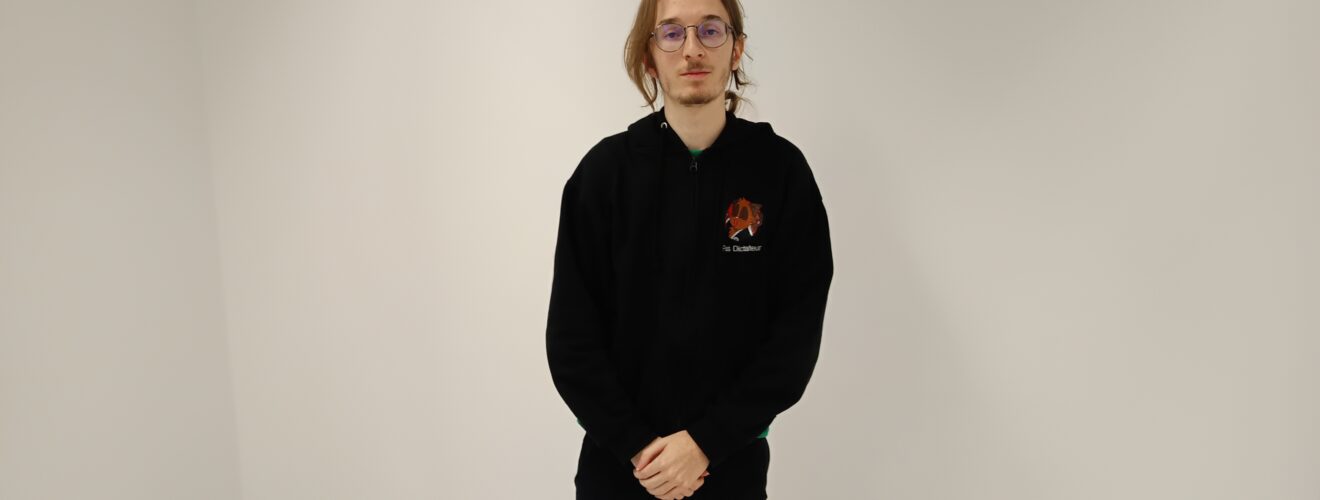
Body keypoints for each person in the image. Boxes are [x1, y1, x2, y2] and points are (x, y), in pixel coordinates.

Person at [545, 0, 834, 498]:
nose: (692, 49)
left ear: (736, 49)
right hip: (618, 472)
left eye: (711, 30)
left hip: (731, 470)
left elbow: (795, 336)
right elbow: (571, 341)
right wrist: (640, 449)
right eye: (672, 33)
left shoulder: (781, 172)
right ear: (648, 56)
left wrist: (705, 444)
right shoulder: (603, 175)